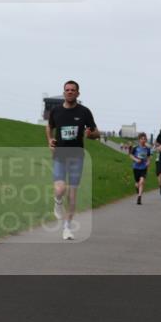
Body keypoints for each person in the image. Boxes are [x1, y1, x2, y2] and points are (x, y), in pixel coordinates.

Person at [46, 80, 99, 240]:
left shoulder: (84, 112)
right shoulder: (56, 111)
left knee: (73, 194)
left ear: (78, 93)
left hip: (77, 157)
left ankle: (67, 227)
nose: (69, 92)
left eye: (73, 90)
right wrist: (49, 140)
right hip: (60, 156)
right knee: (61, 189)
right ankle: (57, 201)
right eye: (67, 90)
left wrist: (91, 135)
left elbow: (96, 133)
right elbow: (49, 127)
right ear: (64, 93)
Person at [129, 133, 152, 205]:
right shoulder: (135, 148)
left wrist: (148, 162)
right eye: (142, 139)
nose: (143, 140)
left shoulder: (147, 149)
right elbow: (130, 155)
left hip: (143, 168)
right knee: (137, 183)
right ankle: (137, 189)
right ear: (139, 139)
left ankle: (139, 197)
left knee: (141, 181)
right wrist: (136, 160)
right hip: (136, 167)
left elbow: (148, 157)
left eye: (145, 139)